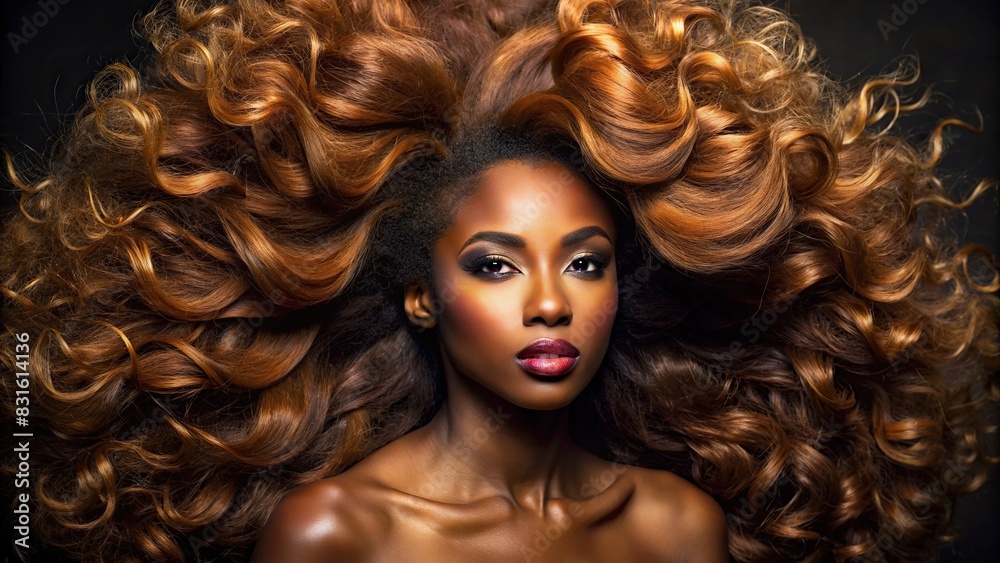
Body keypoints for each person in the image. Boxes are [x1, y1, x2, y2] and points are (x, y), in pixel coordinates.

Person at [1, 0, 996, 561]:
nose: (550, 300)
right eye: (493, 264)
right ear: (420, 295)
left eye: (585, 260)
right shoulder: (337, 533)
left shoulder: (677, 527)